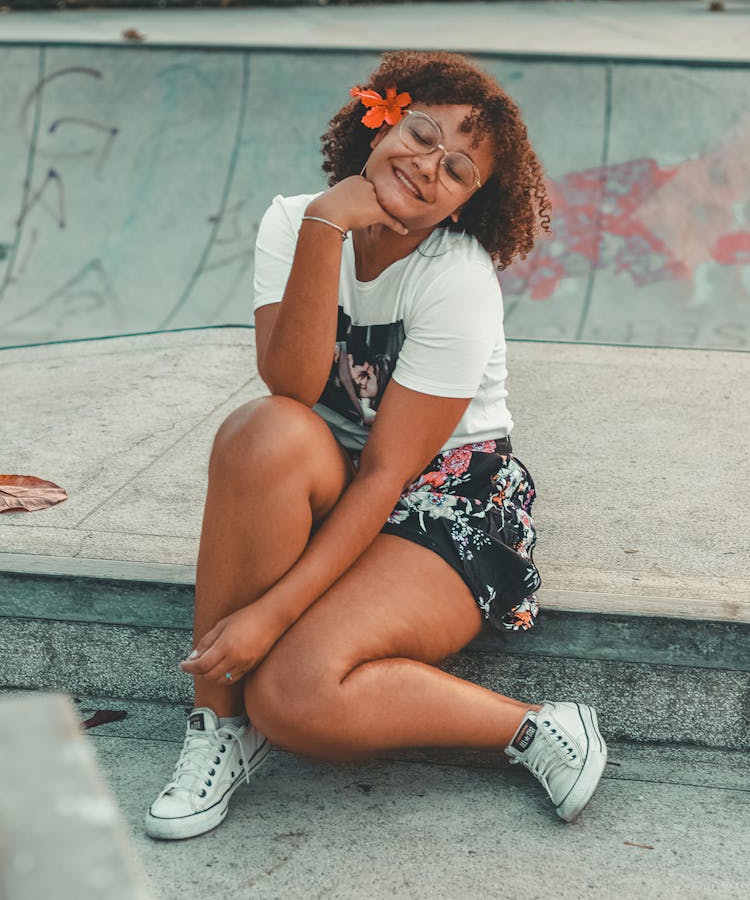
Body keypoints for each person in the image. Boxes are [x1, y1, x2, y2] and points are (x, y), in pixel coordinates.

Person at [145, 51, 608, 841]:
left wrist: (269, 617)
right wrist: (328, 225)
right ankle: (217, 726)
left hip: (446, 500)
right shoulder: (296, 219)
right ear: (378, 118)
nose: (428, 166)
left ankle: (539, 726)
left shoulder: (455, 276)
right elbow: (290, 386)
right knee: (264, 432)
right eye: (420, 134)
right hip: (339, 473)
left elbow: (392, 473)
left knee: (294, 696)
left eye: (457, 169)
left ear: (467, 204)